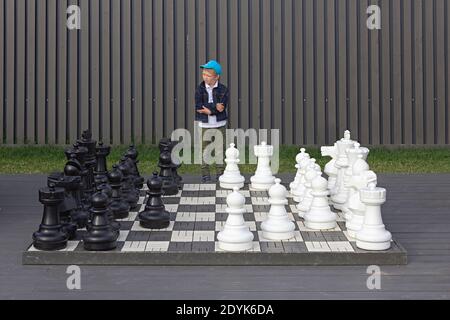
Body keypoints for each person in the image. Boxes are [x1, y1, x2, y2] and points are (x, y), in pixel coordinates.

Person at [195, 60, 230, 182]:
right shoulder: (199, 89)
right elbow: (199, 107)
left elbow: (222, 107)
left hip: (220, 124)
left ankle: (220, 172)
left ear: (217, 77)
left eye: (208, 75)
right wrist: (215, 108)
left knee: (220, 149)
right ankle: (205, 173)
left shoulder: (223, 90)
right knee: (205, 149)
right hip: (205, 124)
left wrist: (210, 111)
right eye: (204, 74)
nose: (205, 77)